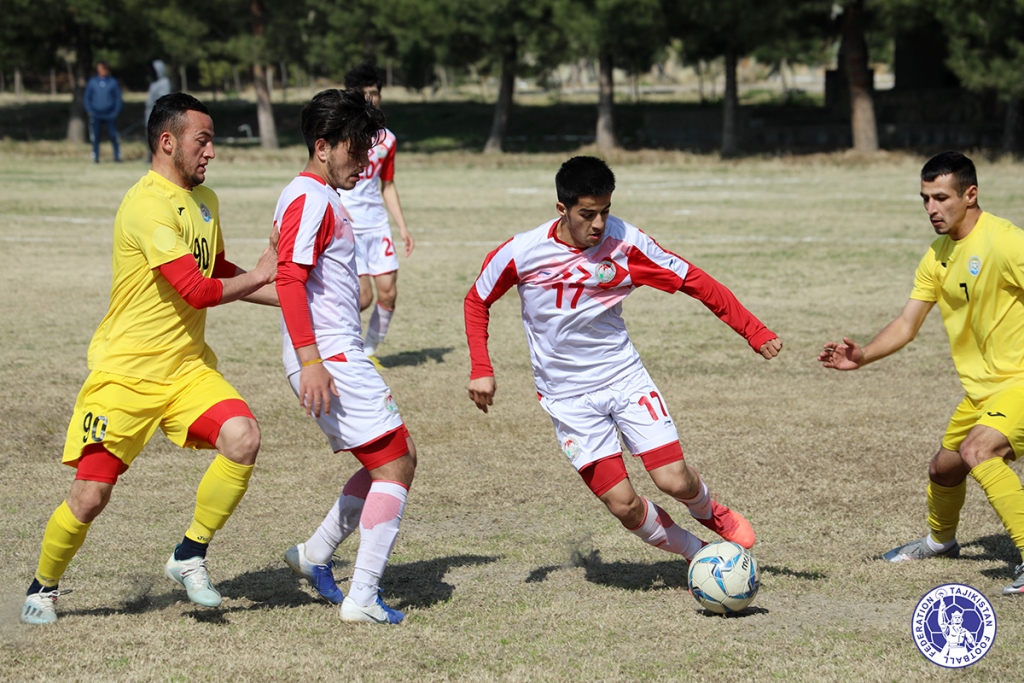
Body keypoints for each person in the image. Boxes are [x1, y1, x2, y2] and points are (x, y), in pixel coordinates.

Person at [19, 93, 279, 626]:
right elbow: (197, 290)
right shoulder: (146, 204)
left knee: (243, 436)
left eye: (212, 140)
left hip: (186, 372)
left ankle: (189, 555)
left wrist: (289, 298)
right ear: (168, 141)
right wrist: (263, 272)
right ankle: (42, 587)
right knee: (89, 497)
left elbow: (216, 266)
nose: (212, 151)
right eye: (202, 140)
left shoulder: (205, 200)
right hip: (126, 377)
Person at [464, 156, 782, 568]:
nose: (598, 224)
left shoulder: (627, 244)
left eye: (605, 211)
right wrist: (481, 369)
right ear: (562, 210)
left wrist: (754, 331)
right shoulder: (521, 252)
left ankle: (709, 511)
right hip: (568, 399)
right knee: (623, 505)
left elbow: (694, 280)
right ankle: (699, 556)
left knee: (674, 480)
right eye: (587, 214)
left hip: (623, 379)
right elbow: (477, 300)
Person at [819, 151, 1024, 596]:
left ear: (971, 195)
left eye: (941, 197)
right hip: (981, 392)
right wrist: (864, 354)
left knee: (979, 451)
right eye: (925, 198)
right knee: (943, 471)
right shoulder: (939, 254)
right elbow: (908, 323)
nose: (932, 208)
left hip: (1019, 383)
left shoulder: (1006, 243)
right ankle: (940, 542)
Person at [275, 88, 416, 625]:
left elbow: (294, 278)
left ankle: (313, 556)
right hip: (329, 355)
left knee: (386, 460)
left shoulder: (318, 195)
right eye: (355, 151)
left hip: (332, 350)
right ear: (322, 146)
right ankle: (361, 597)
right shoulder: (310, 197)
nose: (364, 163)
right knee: (397, 462)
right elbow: (290, 278)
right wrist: (311, 360)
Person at [337, 61, 414, 366]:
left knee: (388, 293)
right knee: (363, 297)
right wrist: (339, 208)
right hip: (349, 226)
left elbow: (388, 186)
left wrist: (403, 228)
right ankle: (339, 343)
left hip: (377, 224)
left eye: (375, 92)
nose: (371, 98)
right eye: (365, 93)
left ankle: (368, 352)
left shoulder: (388, 140)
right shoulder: (342, 134)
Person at [84, 61, 123, 163]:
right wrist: (89, 110)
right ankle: (95, 156)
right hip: (96, 113)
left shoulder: (113, 82)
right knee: (95, 137)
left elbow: (118, 98)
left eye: (104, 69)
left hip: (110, 114)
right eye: (101, 69)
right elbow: (87, 97)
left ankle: (117, 156)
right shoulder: (92, 82)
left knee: (113, 135)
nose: (103, 71)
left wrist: (116, 111)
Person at [144, 60, 172, 163]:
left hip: (157, 114)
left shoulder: (164, 83)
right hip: (149, 113)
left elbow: (163, 98)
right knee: (150, 135)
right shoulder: (154, 83)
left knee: (158, 135)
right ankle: (150, 155)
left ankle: (159, 156)